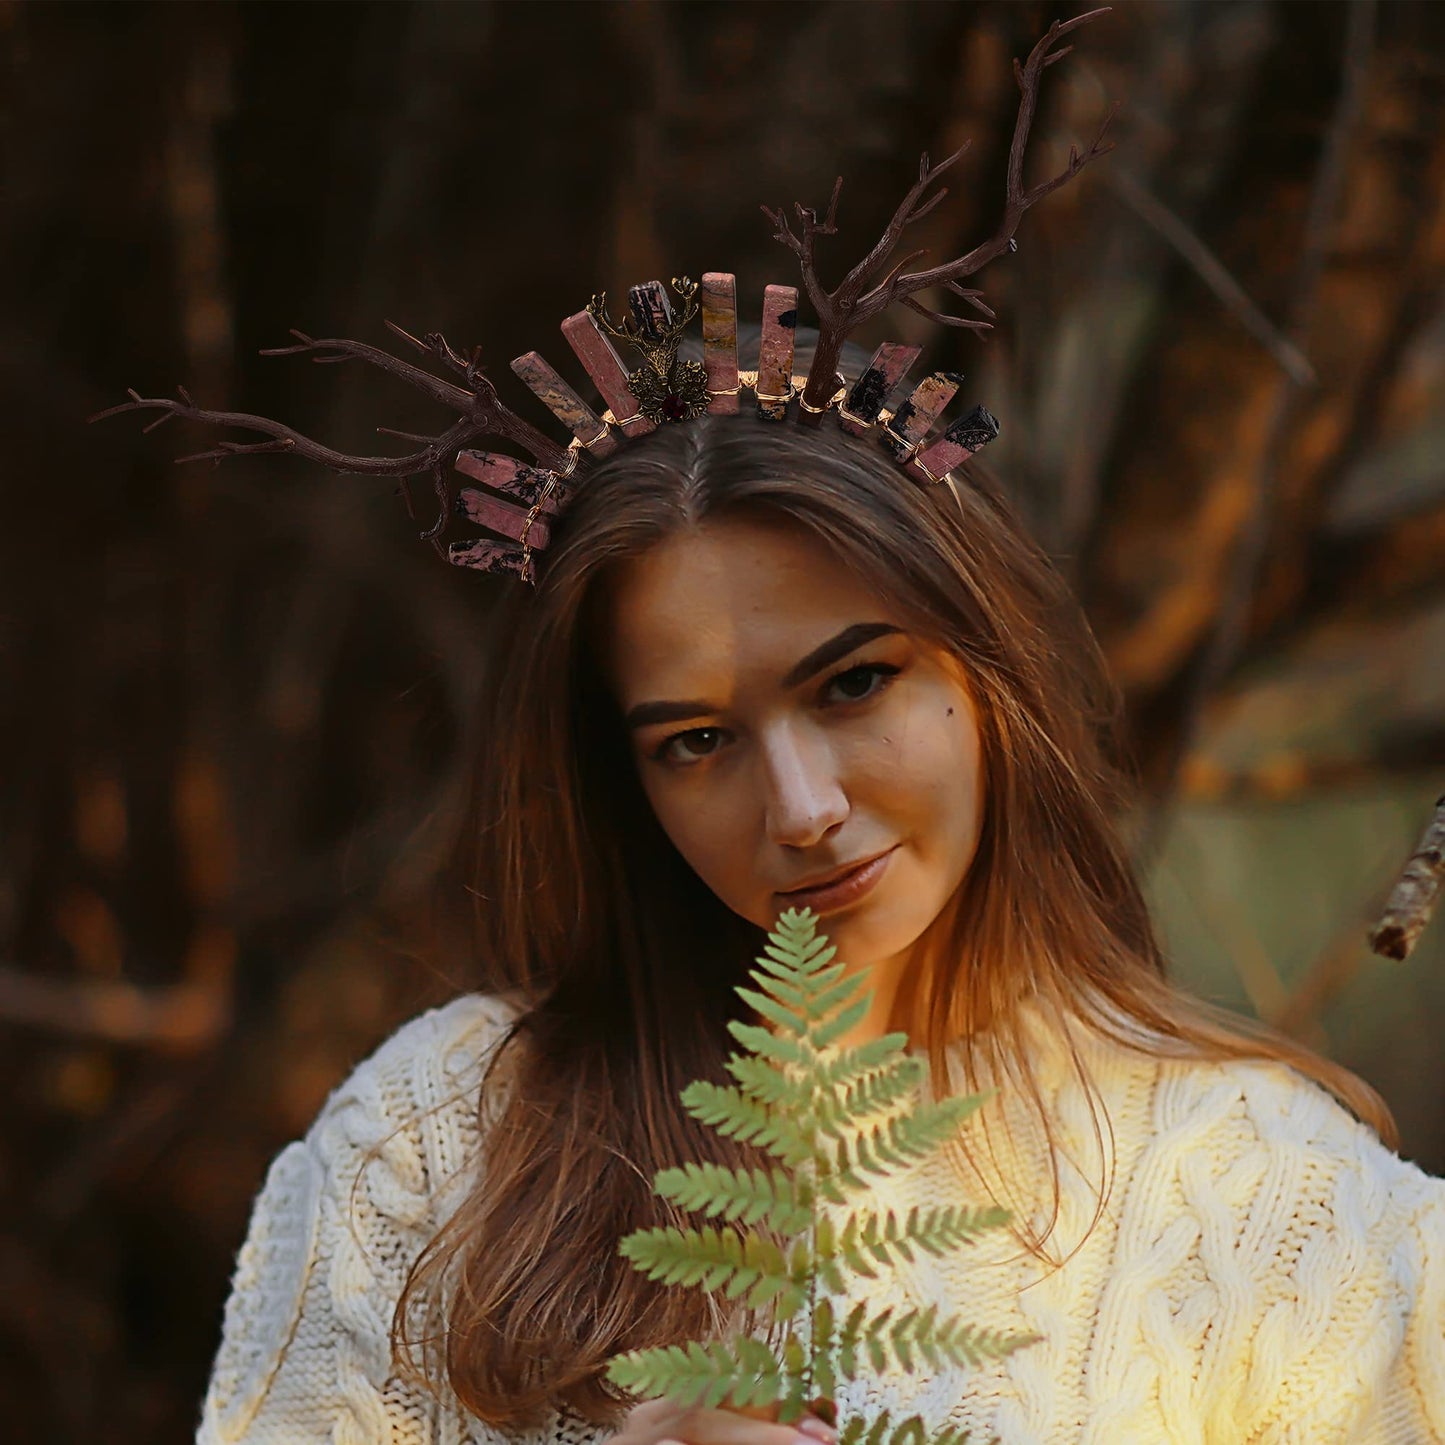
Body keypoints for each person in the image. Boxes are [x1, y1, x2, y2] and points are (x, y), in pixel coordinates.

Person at [188, 339, 1445, 1444]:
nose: (799, 808)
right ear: (625, 783)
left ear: (987, 660)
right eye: (694, 740)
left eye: (851, 683)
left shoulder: (1275, 1207)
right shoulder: (434, 1144)